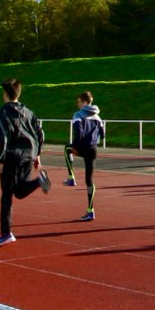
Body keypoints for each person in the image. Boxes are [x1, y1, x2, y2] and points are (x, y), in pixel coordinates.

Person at [0, 77, 50, 246]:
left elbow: (4, 137)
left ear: (5, 94)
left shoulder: (3, 112)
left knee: (7, 195)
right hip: (29, 154)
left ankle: (6, 233)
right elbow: (40, 133)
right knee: (18, 192)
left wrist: (0, 160)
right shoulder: (29, 111)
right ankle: (39, 181)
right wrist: (38, 154)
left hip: (12, 156)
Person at [63, 91, 104, 222]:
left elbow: (78, 133)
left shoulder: (78, 115)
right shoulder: (98, 117)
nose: (78, 104)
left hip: (82, 147)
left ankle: (71, 177)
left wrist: (75, 147)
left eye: (79, 102)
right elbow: (102, 135)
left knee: (67, 148)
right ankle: (90, 210)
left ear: (85, 102)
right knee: (89, 180)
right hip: (93, 150)